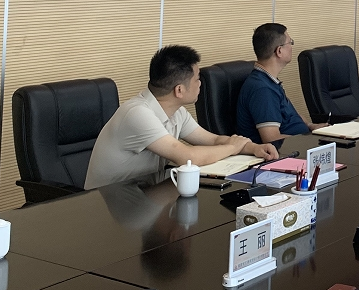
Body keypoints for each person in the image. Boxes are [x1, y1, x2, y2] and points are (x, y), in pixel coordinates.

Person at [84, 45, 277, 189]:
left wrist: (253, 148)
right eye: (197, 79)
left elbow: (213, 140)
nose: (200, 84)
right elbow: (188, 157)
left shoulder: (176, 112)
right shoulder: (137, 114)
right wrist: (232, 148)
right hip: (105, 205)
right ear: (179, 90)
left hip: (143, 193)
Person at [237, 22, 328, 143]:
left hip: (301, 142)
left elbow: (290, 115)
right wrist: (310, 138)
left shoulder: (269, 81)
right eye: (290, 43)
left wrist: (311, 126)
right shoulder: (262, 89)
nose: (291, 47)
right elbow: (272, 139)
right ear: (279, 51)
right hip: (289, 151)